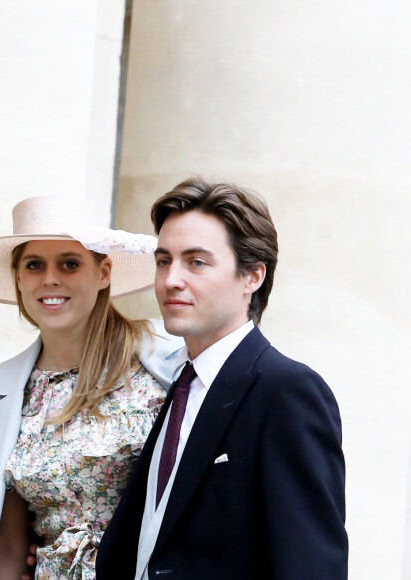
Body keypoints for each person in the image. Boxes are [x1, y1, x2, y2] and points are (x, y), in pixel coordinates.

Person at [0, 195, 183, 580]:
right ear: (18, 278)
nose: (50, 279)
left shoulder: (168, 364)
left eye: (70, 264)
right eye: (34, 265)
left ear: (104, 271)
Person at [96, 178, 348, 579]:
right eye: (164, 261)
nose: (171, 279)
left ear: (253, 277)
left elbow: (310, 565)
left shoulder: (288, 392)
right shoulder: (178, 383)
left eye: (196, 262)